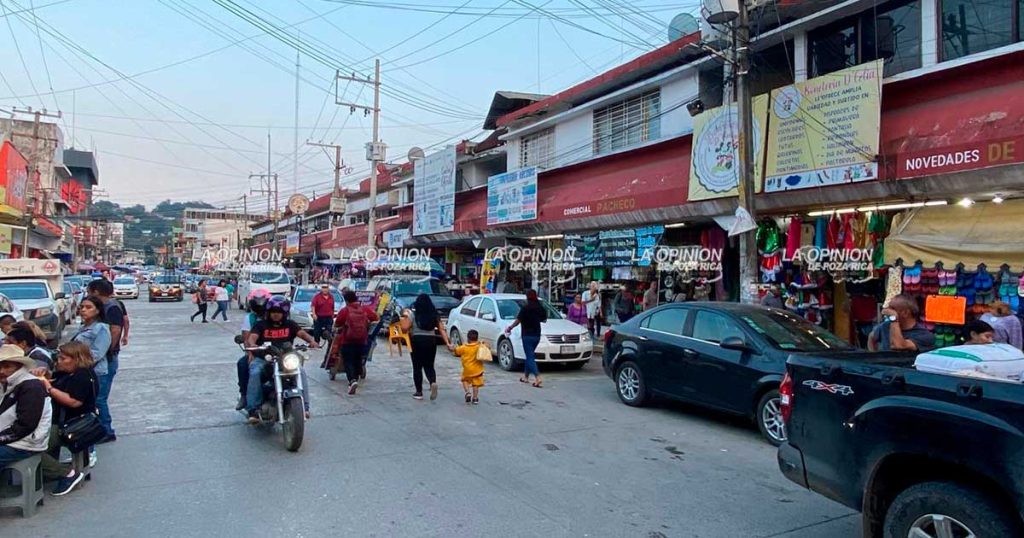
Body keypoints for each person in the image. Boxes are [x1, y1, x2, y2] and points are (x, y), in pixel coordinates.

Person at [244, 296, 319, 423]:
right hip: (265, 358)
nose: (276, 315)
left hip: (285, 358)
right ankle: (253, 410)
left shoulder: (290, 325)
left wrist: (312, 341)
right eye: (273, 312)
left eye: (279, 312)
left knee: (301, 372)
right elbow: (252, 338)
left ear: (284, 313)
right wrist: (253, 345)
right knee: (255, 371)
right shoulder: (261, 325)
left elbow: (302, 334)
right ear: (269, 312)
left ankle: (305, 407)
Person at [37, 341, 98, 496]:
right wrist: (46, 376)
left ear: (76, 359)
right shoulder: (68, 373)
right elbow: (57, 381)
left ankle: (67, 473)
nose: (59, 361)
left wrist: (49, 388)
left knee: (31, 448)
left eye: (64, 358)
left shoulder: (83, 376)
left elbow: (74, 401)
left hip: (70, 425)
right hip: (61, 421)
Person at [0, 344, 52, 467]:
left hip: (25, 442)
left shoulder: (31, 386)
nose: (1, 371)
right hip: (11, 436)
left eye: (7, 367)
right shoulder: (7, 383)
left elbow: (26, 425)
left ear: (19, 366)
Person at [86, 279, 122, 443]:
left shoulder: (112, 307)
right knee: (97, 397)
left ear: (96, 292)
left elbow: (115, 331)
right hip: (102, 359)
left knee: (100, 398)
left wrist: (106, 353)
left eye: (89, 292)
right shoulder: (103, 309)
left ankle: (106, 431)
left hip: (106, 360)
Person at [332, 290, 379, 395]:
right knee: (358, 359)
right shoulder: (364, 309)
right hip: (362, 340)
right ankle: (356, 378)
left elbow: (337, 323)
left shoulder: (345, 311)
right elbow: (375, 317)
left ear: (347, 300)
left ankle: (352, 380)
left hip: (347, 340)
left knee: (348, 361)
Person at [408, 294, 451, 401]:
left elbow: (404, 328)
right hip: (431, 340)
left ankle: (419, 392)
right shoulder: (434, 315)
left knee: (417, 367)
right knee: (429, 365)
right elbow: (441, 330)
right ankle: (433, 382)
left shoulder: (414, 314)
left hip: (416, 341)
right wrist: (448, 343)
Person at [235, 290, 271, 411]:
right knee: (242, 364)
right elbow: (246, 338)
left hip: (275, 352)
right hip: (257, 352)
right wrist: (250, 352)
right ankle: (245, 396)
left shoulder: (274, 316)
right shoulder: (250, 318)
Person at [505, 289, 547, 387]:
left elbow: (518, 320)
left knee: (530, 357)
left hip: (527, 334)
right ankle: (525, 377)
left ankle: (537, 377)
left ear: (527, 297)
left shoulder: (525, 308)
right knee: (529, 355)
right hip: (537, 334)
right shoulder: (540, 307)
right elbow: (544, 319)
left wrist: (510, 327)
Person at [867, 294, 936, 352]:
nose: (887, 311)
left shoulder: (924, 335)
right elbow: (871, 337)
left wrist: (894, 318)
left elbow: (897, 345)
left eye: (892, 308)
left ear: (905, 313)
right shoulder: (885, 326)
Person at [453, 329, 485, 405]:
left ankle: (468, 392)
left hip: (467, 369)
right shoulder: (479, 346)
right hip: (477, 370)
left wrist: (452, 347)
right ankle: (475, 398)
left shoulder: (464, 347)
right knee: (475, 384)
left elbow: (456, 351)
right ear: (477, 338)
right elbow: (487, 348)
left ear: (468, 338)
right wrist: (483, 343)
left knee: (464, 380)